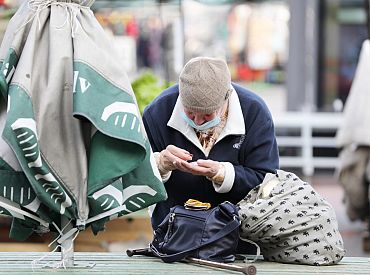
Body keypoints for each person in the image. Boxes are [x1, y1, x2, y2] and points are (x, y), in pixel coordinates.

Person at [142, 57, 279, 232]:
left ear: (226, 98)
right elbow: (138, 176)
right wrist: (160, 164)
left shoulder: (254, 112)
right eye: (190, 112)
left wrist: (222, 173)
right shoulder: (158, 111)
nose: (198, 121)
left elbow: (267, 180)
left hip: (240, 230)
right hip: (173, 232)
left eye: (207, 115)